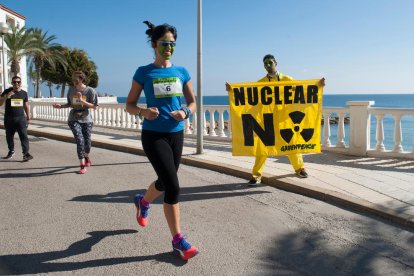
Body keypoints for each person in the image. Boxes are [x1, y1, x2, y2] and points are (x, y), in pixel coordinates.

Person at [125, 20, 198, 261]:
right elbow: (129, 105)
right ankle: (178, 241)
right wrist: (144, 112)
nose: (169, 47)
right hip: (153, 135)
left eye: (173, 44)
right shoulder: (144, 72)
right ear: (155, 44)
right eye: (165, 43)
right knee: (173, 185)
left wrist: (185, 113)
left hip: (176, 133)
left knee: (166, 182)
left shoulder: (182, 72)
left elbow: (193, 103)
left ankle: (143, 201)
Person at [226, 54, 325, 185]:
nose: (268, 65)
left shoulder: (287, 79)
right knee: (262, 148)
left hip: (285, 119)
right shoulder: (261, 82)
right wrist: (232, 91)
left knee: (291, 143)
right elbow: (248, 95)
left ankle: (300, 169)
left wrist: (318, 85)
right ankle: (256, 176)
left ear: (276, 63)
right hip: (268, 120)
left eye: (270, 62)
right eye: (265, 63)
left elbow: (303, 90)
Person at [52, 71, 98, 174]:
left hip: (86, 119)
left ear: (81, 79)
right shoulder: (71, 90)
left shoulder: (90, 91)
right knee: (79, 140)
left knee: (87, 143)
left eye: (75, 80)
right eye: (72, 80)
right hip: (73, 118)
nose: (73, 82)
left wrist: (82, 101)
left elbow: (94, 106)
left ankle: (86, 157)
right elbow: (69, 104)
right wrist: (61, 106)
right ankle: (82, 165)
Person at [0, 75, 34, 161]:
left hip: (21, 119)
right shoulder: (7, 91)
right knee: (9, 136)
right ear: (12, 83)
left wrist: (28, 117)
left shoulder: (24, 93)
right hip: (9, 118)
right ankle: (11, 151)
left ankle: (26, 154)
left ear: (20, 83)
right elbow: (0, 103)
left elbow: (26, 105)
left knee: (24, 136)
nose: (16, 83)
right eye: (14, 82)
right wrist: (6, 96)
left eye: (18, 82)